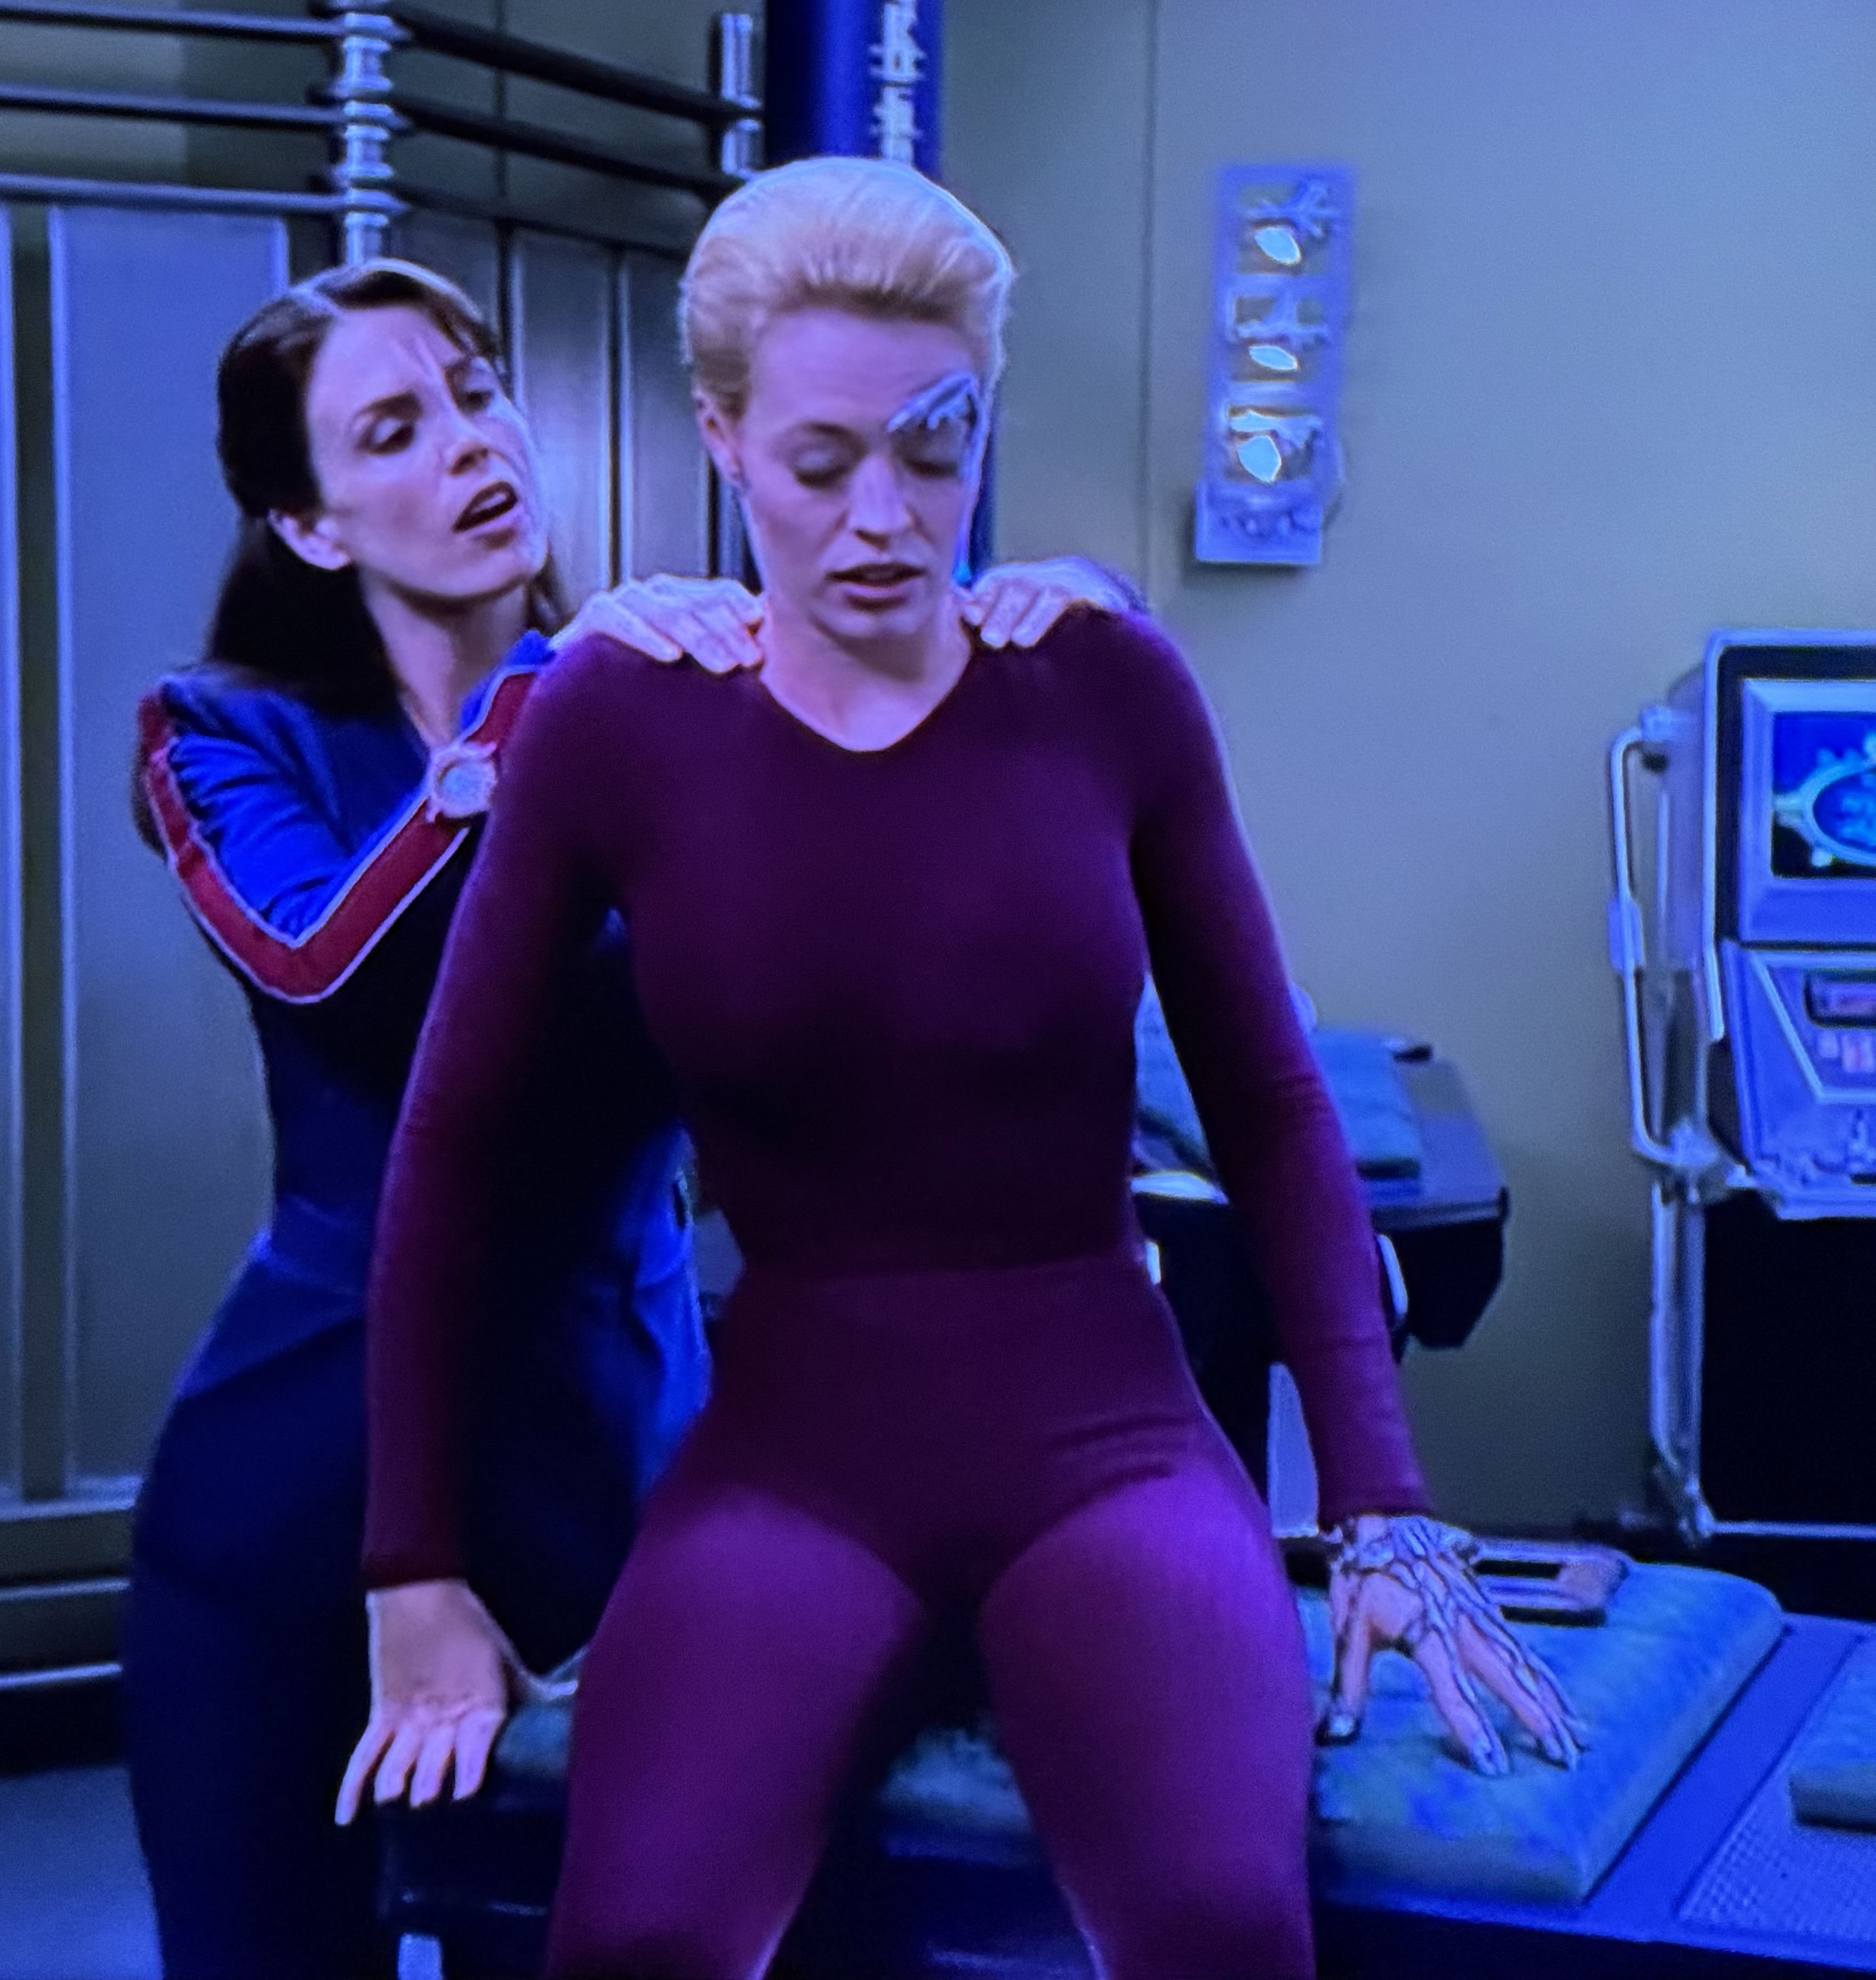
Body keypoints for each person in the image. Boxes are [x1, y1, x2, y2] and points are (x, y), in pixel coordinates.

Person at [342, 166, 1585, 1980]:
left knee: (1221, 1929)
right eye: (817, 461)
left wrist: (1381, 1503)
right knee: (640, 1943)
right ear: (722, 438)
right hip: (787, 1475)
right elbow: (448, 1143)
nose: (882, 516)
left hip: (1111, 1456)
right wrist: (412, 1570)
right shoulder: (618, 717)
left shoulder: (1102, 688)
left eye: (933, 451)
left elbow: (1266, 1103)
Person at [120, 254, 1131, 1980]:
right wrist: (542, 710)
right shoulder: (223, 731)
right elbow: (321, 967)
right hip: (295, 1491)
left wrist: (1022, 654)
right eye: (394, 428)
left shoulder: (686, 708)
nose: (472, 441)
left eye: (476, 391)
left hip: (616, 1473)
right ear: (306, 523)